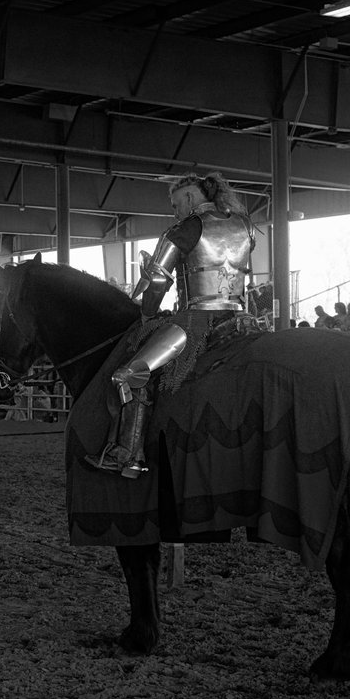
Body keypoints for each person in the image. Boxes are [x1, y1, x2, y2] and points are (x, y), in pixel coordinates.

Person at [85, 171, 255, 478]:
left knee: (130, 374)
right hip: (242, 319)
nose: (173, 211)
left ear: (190, 198)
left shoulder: (186, 228)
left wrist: (148, 313)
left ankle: (127, 455)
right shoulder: (244, 225)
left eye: (175, 203)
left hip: (199, 321)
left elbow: (157, 280)